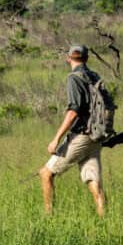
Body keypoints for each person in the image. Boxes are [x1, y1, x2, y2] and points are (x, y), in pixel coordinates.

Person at [39, 45, 107, 217]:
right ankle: (104, 218)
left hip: (81, 136)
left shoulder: (73, 78)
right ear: (87, 58)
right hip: (96, 135)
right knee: (92, 179)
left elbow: (73, 111)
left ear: (68, 58)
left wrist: (56, 139)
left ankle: (48, 216)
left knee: (46, 173)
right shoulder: (94, 76)